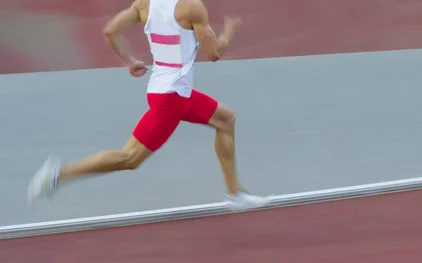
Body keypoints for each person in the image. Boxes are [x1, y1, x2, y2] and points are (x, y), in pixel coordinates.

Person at [27, 0, 272, 211]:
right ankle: (58, 175)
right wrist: (228, 31)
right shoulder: (191, 7)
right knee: (129, 158)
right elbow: (214, 53)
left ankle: (235, 195)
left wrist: (130, 61)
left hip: (166, 91)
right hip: (172, 98)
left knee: (226, 119)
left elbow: (110, 30)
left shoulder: (144, 4)